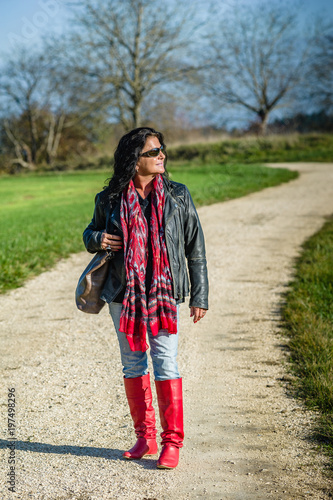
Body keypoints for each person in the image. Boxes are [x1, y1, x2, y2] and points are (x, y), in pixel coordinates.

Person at [83, 127, 208, 469]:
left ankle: (172, 442)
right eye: (153, 152)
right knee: (133, 363)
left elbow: (194, 248)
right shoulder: (109, 198)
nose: (161, 156)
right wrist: (100, 239)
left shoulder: (178, 195)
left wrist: (200, 294)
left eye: (161, 150)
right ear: (134, 160)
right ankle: (145, 437)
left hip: (164, 294)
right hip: (123, 294)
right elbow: (89, 233)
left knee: (166, 361)